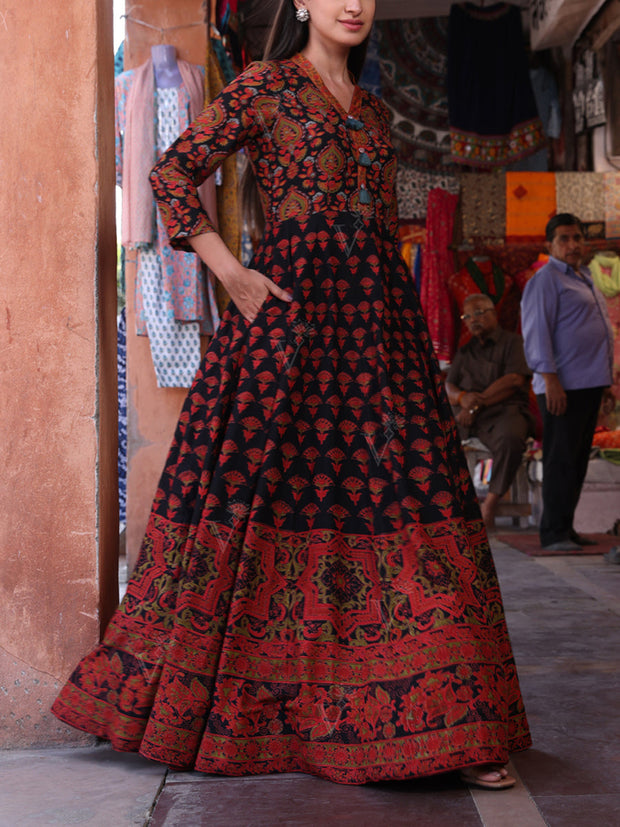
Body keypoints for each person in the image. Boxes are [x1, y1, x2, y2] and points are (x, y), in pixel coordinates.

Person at [52, 0, 530, 790]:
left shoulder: (377, 116)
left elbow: (376, 229)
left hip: (380, 337)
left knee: (409, 505)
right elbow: (169, 171)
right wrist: (229, 270)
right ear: (301, 3)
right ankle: (283, 712)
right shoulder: (264, 86)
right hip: (288, 329)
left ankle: (451, 724)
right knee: (260, 504)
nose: (353, 4)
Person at [521, 214, 614, 551]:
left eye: (577, 238)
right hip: (562, 386)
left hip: (588, 384)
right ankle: (553, 533)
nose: (573, 245)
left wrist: (605, 383)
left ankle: (566, 527)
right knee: (560, 458)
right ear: (550, 245)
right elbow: (536, 334)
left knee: (576, 460)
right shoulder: (545, 281)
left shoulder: (583, 276)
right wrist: (550, 380)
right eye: (564, 239)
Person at [446, 294, 535, 529]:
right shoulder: (465, 351)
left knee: (510, 440)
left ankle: (490, 504)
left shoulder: (513, 343)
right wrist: (463, 398)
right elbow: (447, 386)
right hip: (469, 415)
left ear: (494, 314)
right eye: (467, 316)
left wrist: (477, 403)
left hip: (505, 411)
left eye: (479, 313)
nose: (473, 320)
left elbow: (514, 380)